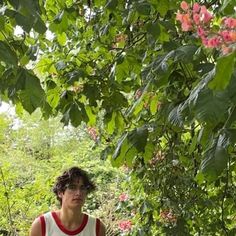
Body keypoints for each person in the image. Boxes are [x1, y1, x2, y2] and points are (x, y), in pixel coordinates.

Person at [30, 166, 106, 236]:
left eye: (82, 188)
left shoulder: (97, 227)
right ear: (60, 192)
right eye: (72, 187)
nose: (78, 193)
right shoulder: (42, 225)